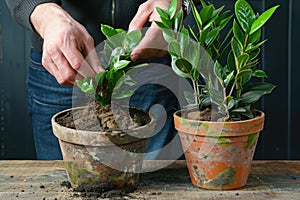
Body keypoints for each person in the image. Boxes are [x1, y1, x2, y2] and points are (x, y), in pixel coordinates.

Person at [5, 0, 185, 160]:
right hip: (64, 60)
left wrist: (177, 2)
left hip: (148, 55)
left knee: (154, 189)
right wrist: (45, 14)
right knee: (62, 187)